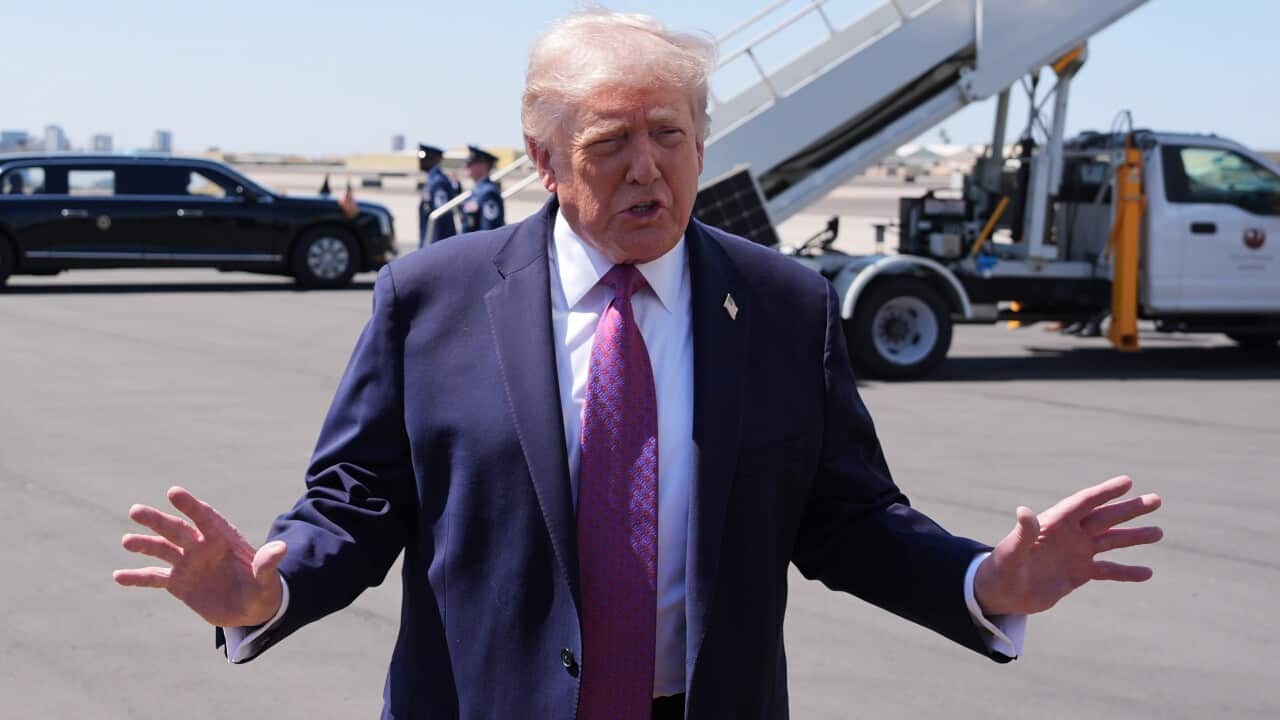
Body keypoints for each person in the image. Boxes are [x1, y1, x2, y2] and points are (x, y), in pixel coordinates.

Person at [114, 9, 1163, 720]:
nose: (647, 168)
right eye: (611, 141)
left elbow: (846, 517)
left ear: (703, 142)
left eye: (670, 133)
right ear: (541, 158)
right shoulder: (429, 298)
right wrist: (264, 589)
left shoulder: (785, 305)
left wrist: (985, 580)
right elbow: (354, 504)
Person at [418, 143, 460, 247]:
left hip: (437, 246)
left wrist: (432, 249)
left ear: (434, 159)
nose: (420, 160)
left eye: (424, 157)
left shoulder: (438, 183)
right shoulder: (432, 180)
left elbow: (440, 219)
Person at [460, 144, 504, 232]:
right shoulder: (478, 190)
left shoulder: (489, 193)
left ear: (483, 166)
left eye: (470, 163)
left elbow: (489, 231)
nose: (466, 166)